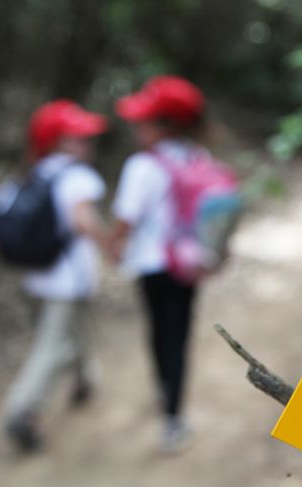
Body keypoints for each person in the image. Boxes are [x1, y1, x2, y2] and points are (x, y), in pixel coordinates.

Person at [0, 100, 109, 452]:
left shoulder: (27, 175)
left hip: (34, 278)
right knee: (52, 346)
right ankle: (22, 410)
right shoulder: (78, 177)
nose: (87, 144)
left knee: (73, 333)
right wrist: (113, 246)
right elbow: (83, 221)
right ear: (57, 141)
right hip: (68, 281)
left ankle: (84, 380)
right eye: (78, 137)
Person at [110, 76, 207, 453]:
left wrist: (114, 244)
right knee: (178, 335)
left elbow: (125, 219)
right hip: (187, 264)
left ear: (164, 124)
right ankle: (173, 410)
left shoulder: (142, 166)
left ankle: (167, 404)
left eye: (144, 120)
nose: (137, 127)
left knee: (158, 334)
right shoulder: (199, 158)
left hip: (152, 265)